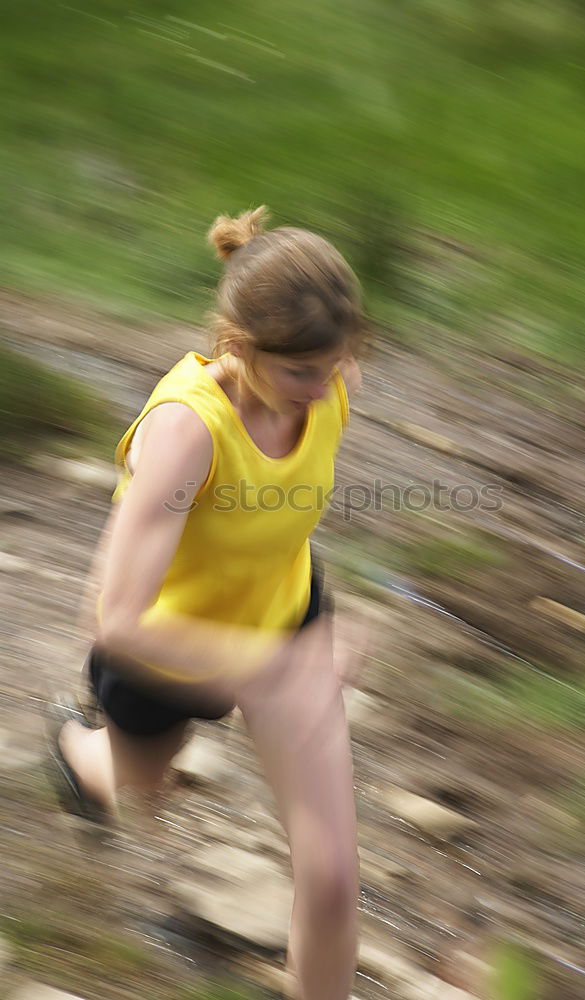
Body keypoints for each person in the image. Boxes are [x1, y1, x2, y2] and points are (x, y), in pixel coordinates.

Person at [47, 206, 367, 1000]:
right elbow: (115, 619)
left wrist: (283, 662)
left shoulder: (325, 377)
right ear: (236, 347)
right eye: (300, 372)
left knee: (329, 879)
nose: (322, 388)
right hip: (164, 655)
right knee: (135, 783)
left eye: (338, 362)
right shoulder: (188, 433)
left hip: (284, 620)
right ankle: (81, 756)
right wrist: (267, 666)